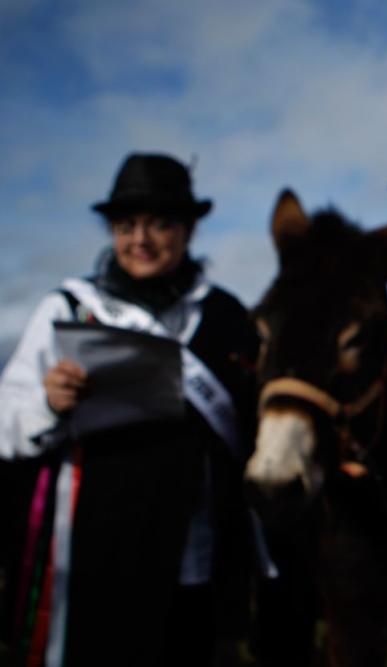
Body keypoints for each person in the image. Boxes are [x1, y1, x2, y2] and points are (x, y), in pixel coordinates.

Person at [0, 153, 261, 667]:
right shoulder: (69, 309)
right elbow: (5, 421)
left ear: (189, 230)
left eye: (160, 223)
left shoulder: (226, 315)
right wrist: (49, 404)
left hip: (192, 558)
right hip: (96, 555)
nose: (140, 239)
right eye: (125, 224)